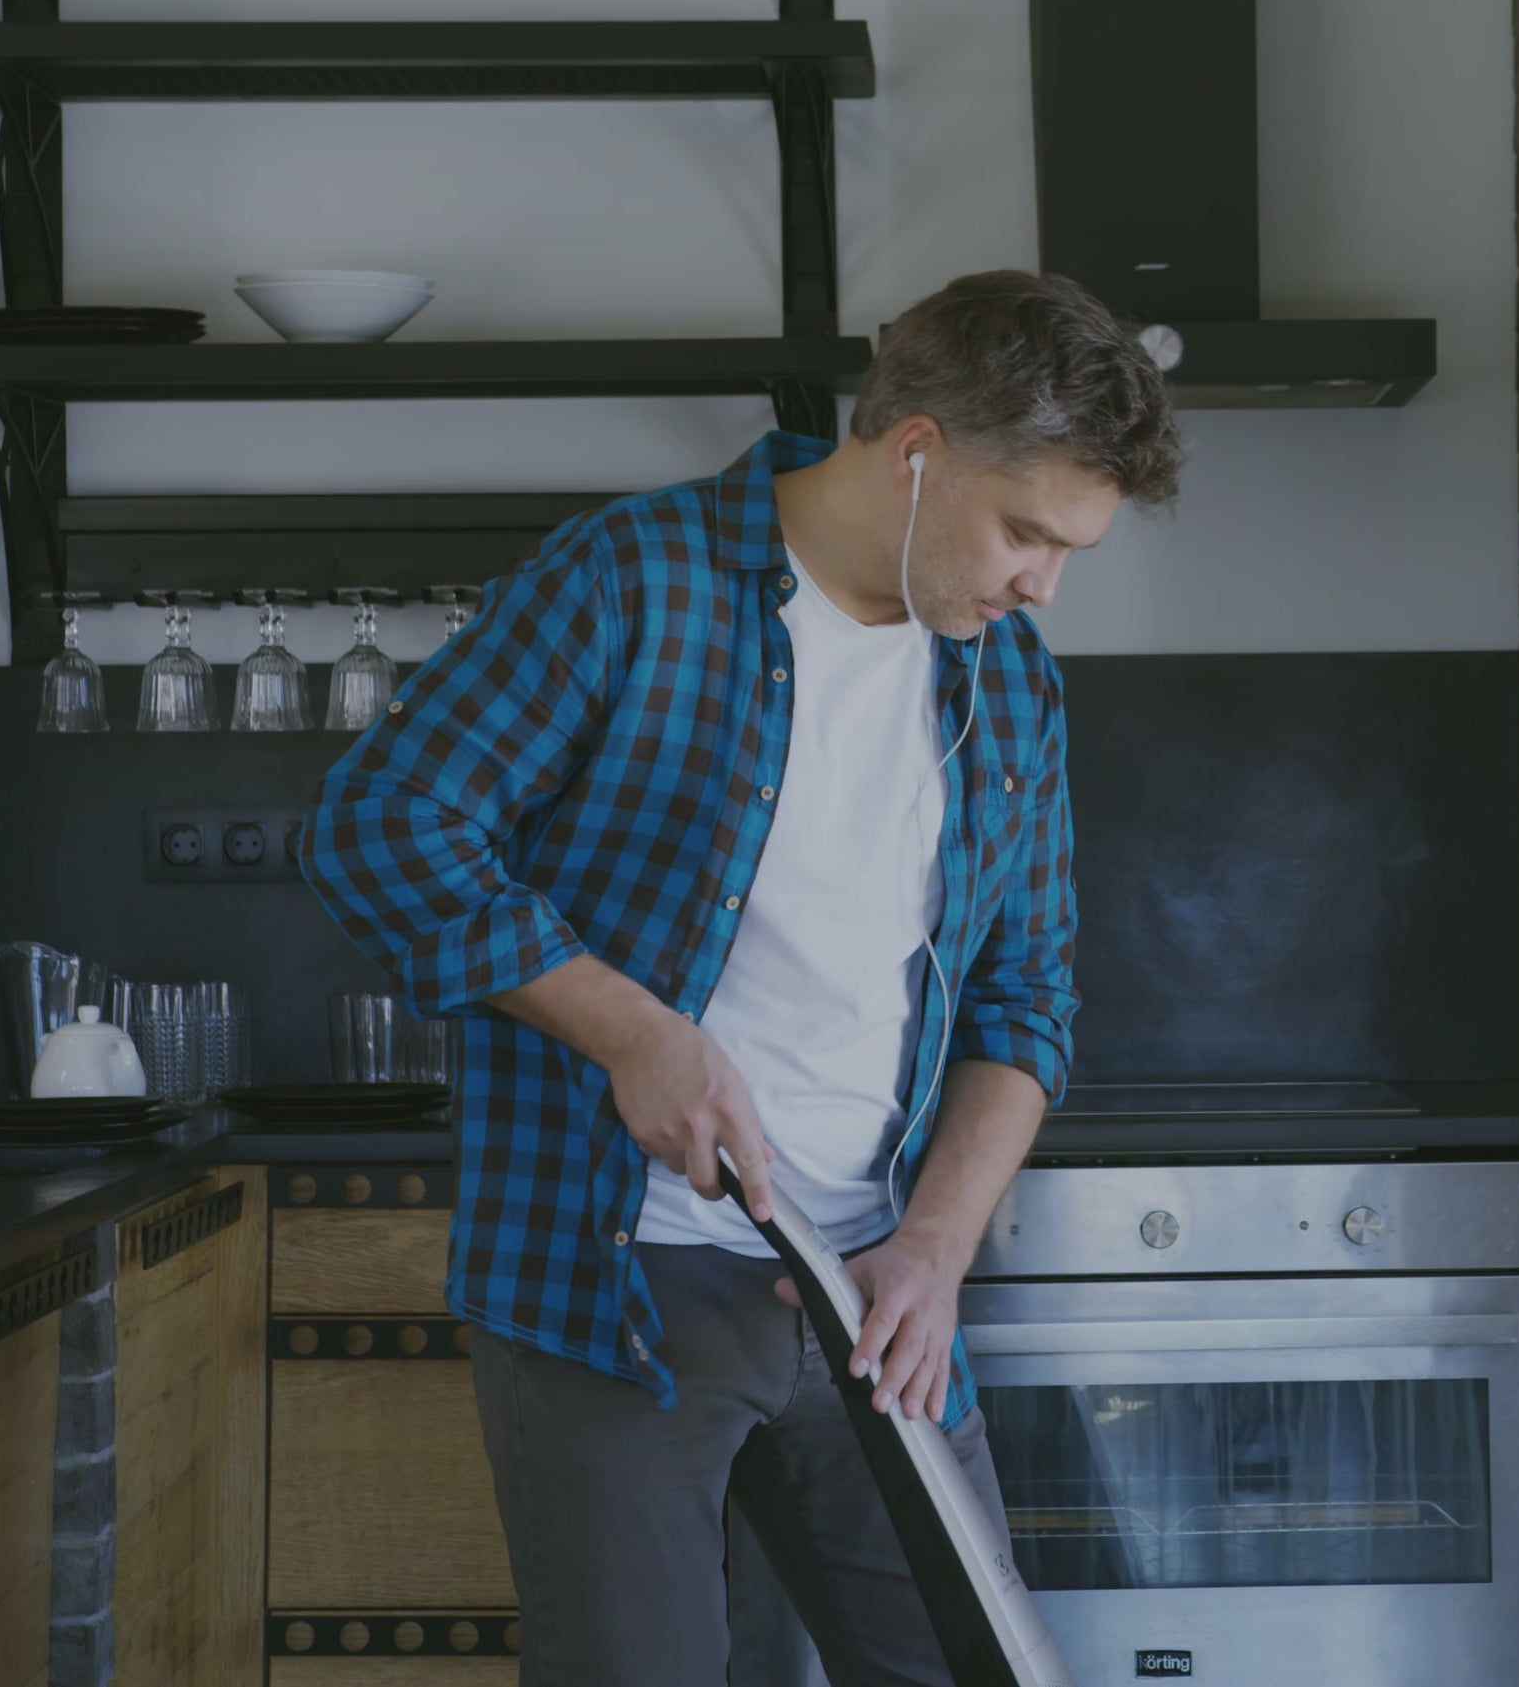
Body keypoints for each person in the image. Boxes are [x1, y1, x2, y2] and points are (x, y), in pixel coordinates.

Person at [302, 269, 1186, 1684]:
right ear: (915, 455)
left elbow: (1029, 1000)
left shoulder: (1009, 684)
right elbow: (382, 823)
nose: (1042, 583)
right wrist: (632, 1030)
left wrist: (937, 1248)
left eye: (1069, 550)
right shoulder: (631, 581)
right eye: (1027, 531)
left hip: (873, 1301)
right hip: (616, 1279)